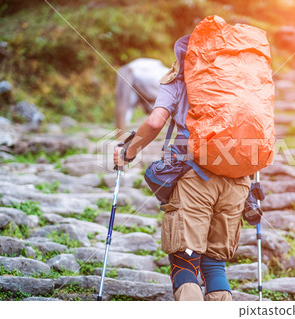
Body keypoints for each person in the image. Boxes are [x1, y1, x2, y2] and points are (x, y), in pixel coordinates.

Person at [113, 35, 250, 301]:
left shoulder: (176, 81)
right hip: (237, 179)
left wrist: (128, 152)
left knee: (185, 259)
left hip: (195, 179)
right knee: (214, 264)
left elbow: (154, 123)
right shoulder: (240, 82)